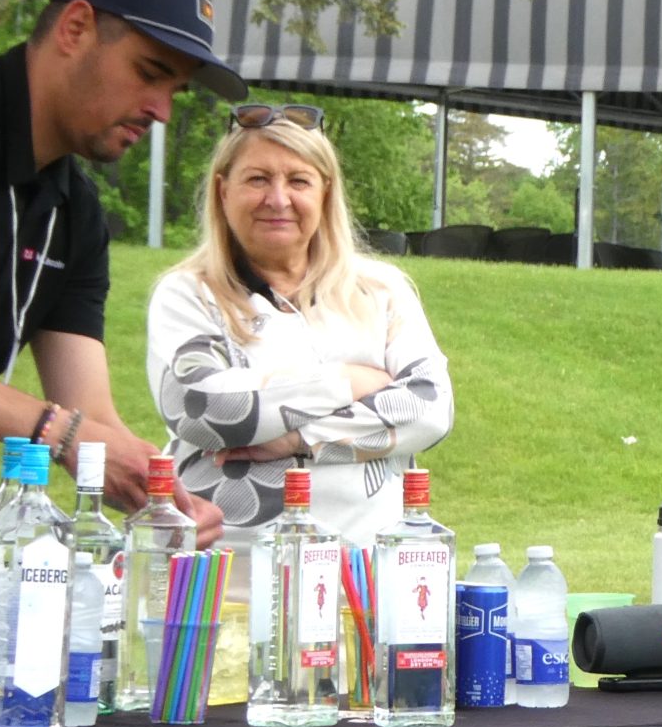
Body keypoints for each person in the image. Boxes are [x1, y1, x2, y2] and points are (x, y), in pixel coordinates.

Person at [0, 0, 226, 538]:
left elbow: (89, 415)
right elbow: (70, 428)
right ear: (75, 28)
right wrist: (61, 433)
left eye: (176, 90)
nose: (162, 111)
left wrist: (156, 490)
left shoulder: (76, 214)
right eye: (150, 72)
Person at [147, 106, 453, 547]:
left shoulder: (381, 290)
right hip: (227, 568)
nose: (278, 199)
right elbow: (202, 407)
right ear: (223, 191)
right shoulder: (188, 294)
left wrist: (300, 438)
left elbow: (429, 408)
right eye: (257, 179)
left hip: (364, 567)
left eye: (298, 181)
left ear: (325, 192)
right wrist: (350, 381)